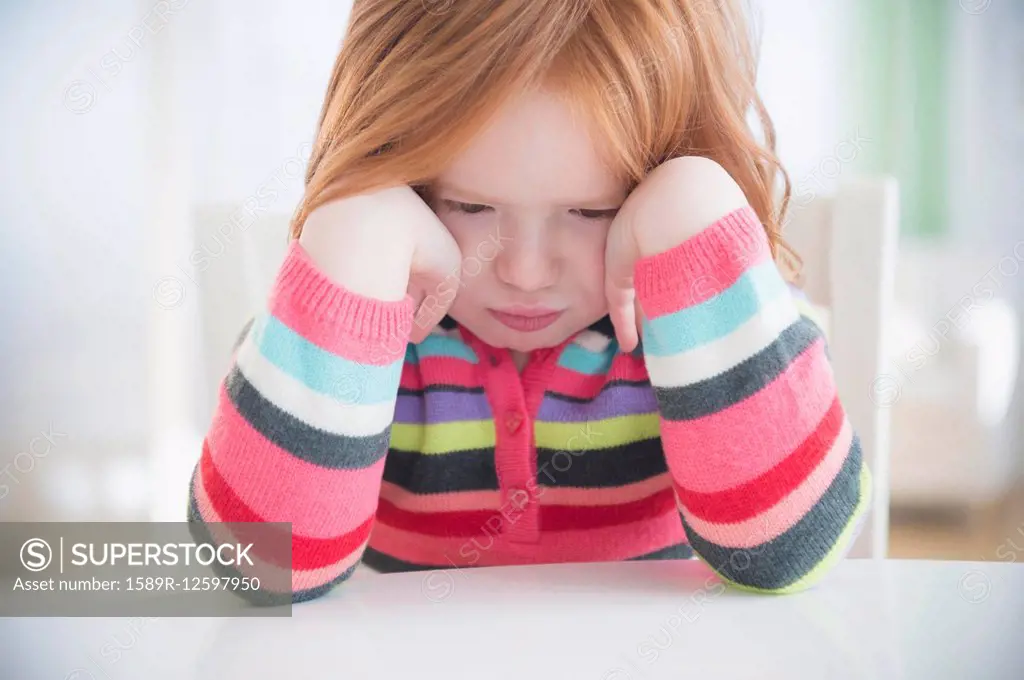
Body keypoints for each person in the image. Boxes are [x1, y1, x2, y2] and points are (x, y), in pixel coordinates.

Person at [186, 0, 871, 603]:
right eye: (471, 205)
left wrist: (694, 206)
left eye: (591, 211)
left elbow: (787, 551)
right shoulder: (360, 332)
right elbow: (256, 568)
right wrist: (354, 240)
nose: (524, 270)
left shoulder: (716, 320)